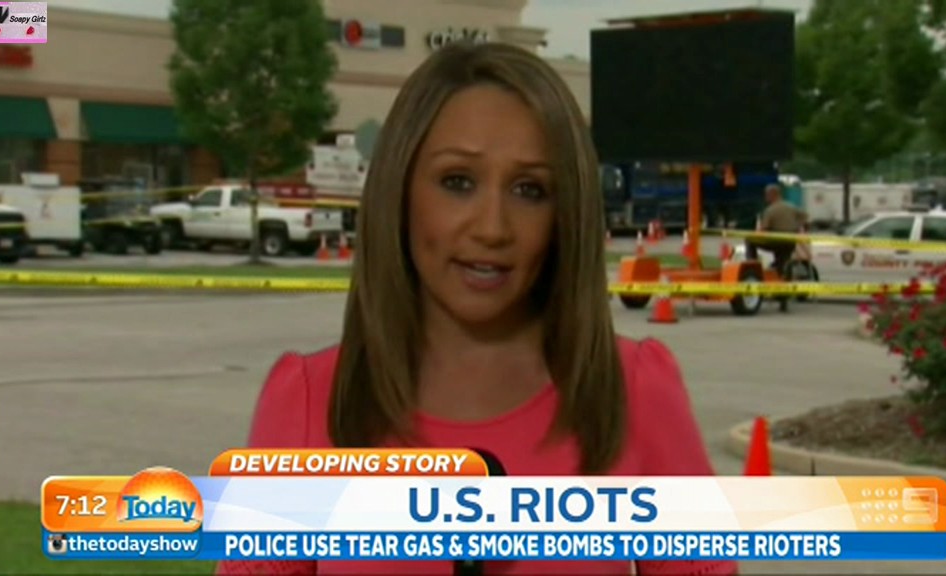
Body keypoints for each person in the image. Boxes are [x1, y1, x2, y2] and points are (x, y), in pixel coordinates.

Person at [216, 42, 737, 576]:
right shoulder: (307, 401)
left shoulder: (635, 391)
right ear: (399, 190)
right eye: (458, 182)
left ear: (566, 215)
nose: (492, 228)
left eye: (529, 190)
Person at [745, 183, 806, 274]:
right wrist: (798, 227)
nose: (765, 198)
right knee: (782, 259)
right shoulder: (792, 207)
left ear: (771, 195)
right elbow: (805, 217)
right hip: (790, 243)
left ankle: (753, 266)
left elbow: (763, 230)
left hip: (776, 242)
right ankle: (780, 269)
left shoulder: (770, 210)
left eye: (766, 195)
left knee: (749, 240)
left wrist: (756, 233)